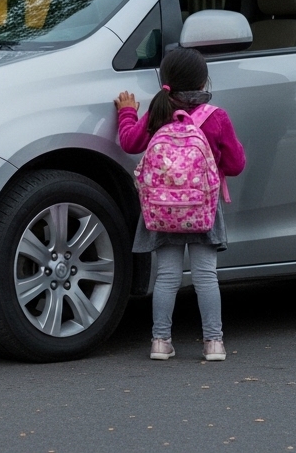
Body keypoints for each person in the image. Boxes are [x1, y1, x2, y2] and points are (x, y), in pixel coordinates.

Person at [115, 48, 246, 361]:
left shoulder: (158, 112)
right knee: (205, 277)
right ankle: (214, 343)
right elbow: (237, 164)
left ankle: (160, 341)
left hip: (162, 210)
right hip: (203, 209)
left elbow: (130, 142)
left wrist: (127, 112)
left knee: (167, 277)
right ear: (203, 83)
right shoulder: (217, 117)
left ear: (166, 82)